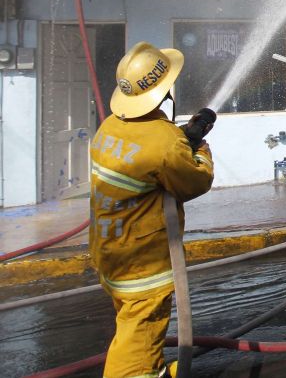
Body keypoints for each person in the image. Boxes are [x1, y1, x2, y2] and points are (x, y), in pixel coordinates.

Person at [90, 42, 215, 378]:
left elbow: (144, 154)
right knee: (137, 342)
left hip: (109, 254)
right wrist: (201, 148)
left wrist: (176, 136)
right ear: (163, 91)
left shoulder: (109, 127)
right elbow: (194, 181)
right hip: (143, 268)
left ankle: (154, 367)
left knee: (132, 329)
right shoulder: (164, 142)